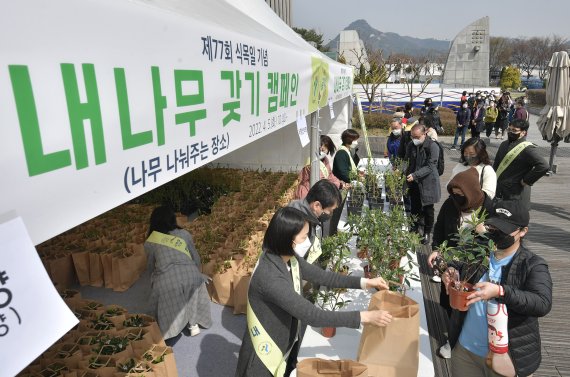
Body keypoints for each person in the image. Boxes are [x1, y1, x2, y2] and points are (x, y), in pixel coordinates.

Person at [235, 207, 392, 377]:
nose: (307, 242)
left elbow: (322, 276)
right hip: (263, 358)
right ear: (288, 240)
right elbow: (313, 315)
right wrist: (365, 317)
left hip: (284, 343)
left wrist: (366, 282)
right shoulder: (270, 278)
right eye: (303, 237)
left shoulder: (286, 258)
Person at [442, 200, 552, 377]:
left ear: (523, 231)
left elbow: (542, 303)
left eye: (504, 230)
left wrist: (501, 291)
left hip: (506, 358)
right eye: (493, 228)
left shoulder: (532, 264)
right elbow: (455, 263)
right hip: (465, 349)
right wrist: (450, 271)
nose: (497, 234)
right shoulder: (479, 250)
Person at [429, 166, 490, 358]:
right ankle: (451, 326)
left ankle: (457, 339)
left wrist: (485, 231)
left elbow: (490, 243)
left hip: (476, 264)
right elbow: (439, 228)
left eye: (460, 194)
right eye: (454, 193)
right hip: (451, 258)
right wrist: (437, 249)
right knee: (449, 297)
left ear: (472, 191)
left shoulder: (489, 208)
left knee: (467, 304)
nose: (457, 198)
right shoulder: (450, 204)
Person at [144, 206, 212, 340]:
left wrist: (153, 280)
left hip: (167, 280)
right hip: (191, 275)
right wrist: (197, 274)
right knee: (191, 292)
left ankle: (169, 331)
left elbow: (151, 266)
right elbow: (196, 258)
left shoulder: (150, 241)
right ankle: (193, 325)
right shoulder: (185, 234)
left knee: (168, 297)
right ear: (173, 219)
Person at [493, 119, 549, 210]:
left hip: (516, 193)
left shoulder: (527, 148)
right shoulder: (504, 144)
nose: (510, 132)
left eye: (514, 130)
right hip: (500, 190)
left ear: (523, 133)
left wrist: (526, 180)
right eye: (509, 129)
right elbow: (496, 165)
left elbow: (543, 166)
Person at [405, 124, 441, 244]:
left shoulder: (432, 146)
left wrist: (415, 175)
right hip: (414, 181)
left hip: (428, 182)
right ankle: (414, 227)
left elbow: (431, 166)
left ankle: (427, 232)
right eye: (412, 136)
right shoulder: (411, 145)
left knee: (428, 209)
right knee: (415, 206)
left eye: (416, 136)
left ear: (424, 134)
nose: (414, 139)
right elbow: (408, 161)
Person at [289, 179, 341, 261]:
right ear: (317, 205)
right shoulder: (296, 222)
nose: (331, 214)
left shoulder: (306, 214)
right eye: (330, 211)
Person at [294, 135, 342, 200]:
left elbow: (330, 175)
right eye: (320, 148)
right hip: (307, 193)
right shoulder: (312, 161)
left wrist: (339, 183)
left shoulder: (325, 160)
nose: (321, 150)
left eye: (324, 149)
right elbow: (320, 179)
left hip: (318, 192)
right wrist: (333, 187)